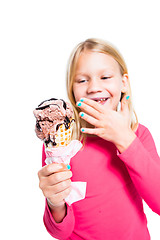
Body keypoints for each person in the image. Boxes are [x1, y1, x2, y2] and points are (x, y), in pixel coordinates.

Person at [38, 38, 160, 240]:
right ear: (72, 90)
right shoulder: (63, 144)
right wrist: (54, 202)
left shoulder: (138, 134)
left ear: (123, 83)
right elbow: (59, 231)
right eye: (82, 80)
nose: (94, 87)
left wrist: (125, 139)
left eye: (105, 77)